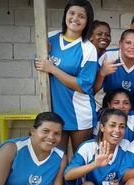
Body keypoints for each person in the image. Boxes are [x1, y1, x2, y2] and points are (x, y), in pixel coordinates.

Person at [34, 0, 98, 153]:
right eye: (72, 13)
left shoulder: (88, 48)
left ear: (87, 21)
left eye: (81, 16)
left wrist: (53, 69)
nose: (75, 18)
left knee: (80, 160)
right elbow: (39, 64)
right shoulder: (50, 37)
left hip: (79, 113)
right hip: (55, 112)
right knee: (57, 159)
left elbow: (84, 85)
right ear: (65, 15)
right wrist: (44, 55)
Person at [64, 109, 130, 185]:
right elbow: (68, 175)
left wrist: (121, 184)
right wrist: (94, 165)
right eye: (112, 125)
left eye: (122, 126)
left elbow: (131, 173)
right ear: (102, 127)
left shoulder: (127, 146)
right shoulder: (88, 147)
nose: (117, 130)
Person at [93, 29, 134, 113]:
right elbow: (92, 90)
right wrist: (101, 74)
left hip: (129, 109)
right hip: (104, 107)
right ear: (120, 44)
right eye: (128, 43)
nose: (132, 46)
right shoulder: (108, 57)